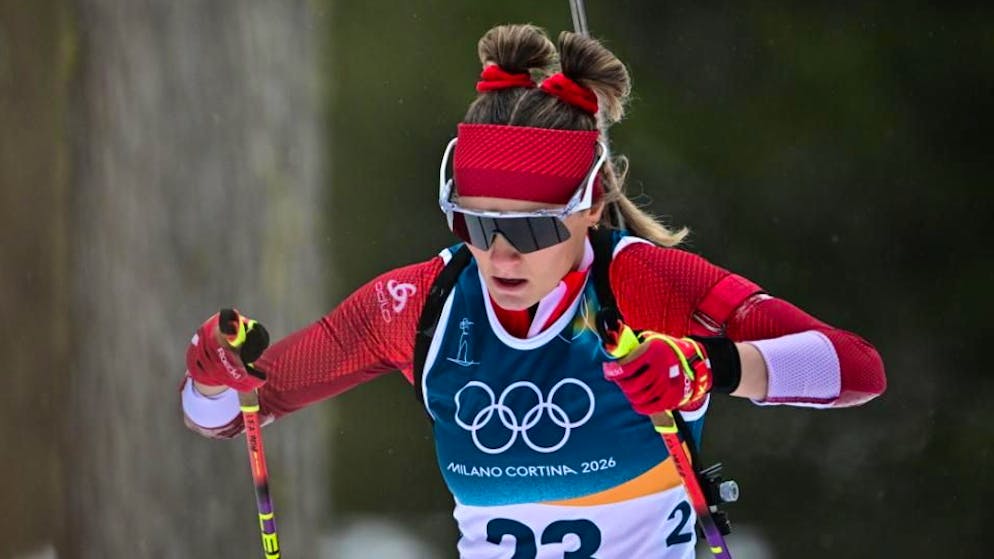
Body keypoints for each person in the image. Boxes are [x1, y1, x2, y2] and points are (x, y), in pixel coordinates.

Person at [180, 24, 886, 558]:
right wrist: (210, 374)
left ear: (593, 205)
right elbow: (230, 412)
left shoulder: (644, 282)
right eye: (477, 223)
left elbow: (856, 367)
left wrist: (714, 365)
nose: (502, 252)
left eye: (538, 228)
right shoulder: (419, 303)